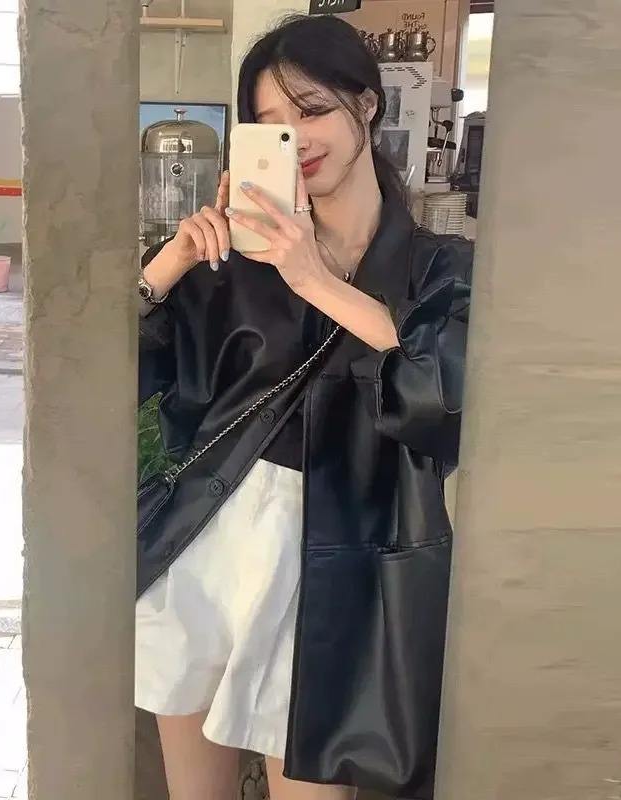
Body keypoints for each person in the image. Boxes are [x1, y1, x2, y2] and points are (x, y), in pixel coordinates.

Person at [135, 13, 471, 800]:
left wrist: (314, 278)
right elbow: (117, 375)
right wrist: (174, 259)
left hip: (335, 571)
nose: (297, 138)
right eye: (271, 123)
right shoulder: (232, 265)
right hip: (208, 544)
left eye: (312, 110)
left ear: (368, 106)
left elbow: (442, 398)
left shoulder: (438, 268)